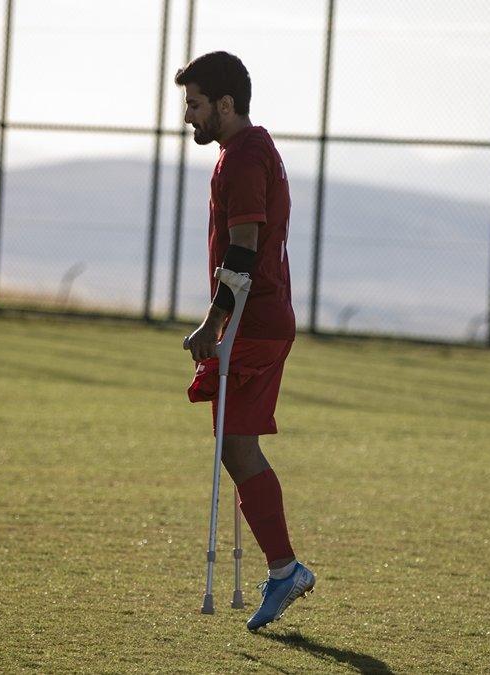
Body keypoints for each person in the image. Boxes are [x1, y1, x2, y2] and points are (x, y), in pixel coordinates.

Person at [176, 51, 314, 631]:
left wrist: (214, 323)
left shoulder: (244, 158)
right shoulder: (252, 149)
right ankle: (283, 568)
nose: (189, 117)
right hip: (260, 318)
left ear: (225, 105)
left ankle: (285, 569)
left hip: (254, 322)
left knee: (234, 445)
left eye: (196, 105)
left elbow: (244, 247)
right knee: (235, 444)